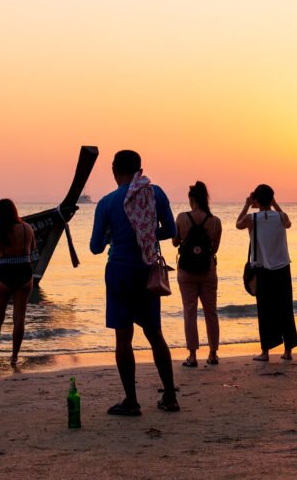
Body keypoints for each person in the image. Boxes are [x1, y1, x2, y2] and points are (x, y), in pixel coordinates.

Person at [90, 150, 179, 415]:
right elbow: (171, 231)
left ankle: (131, 400)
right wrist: (147, 234)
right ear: (140, 169)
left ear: (114, 170)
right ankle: (170, 397)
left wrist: (113, 235)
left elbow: (95, 247)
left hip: (119, 272)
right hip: (147, 271)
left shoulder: (107, 203)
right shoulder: (156, 194)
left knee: (123, 338)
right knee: (155, 335)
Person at [236, 184, 297, 362]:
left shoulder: (252, 219)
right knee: (285, 309)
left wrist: (247, 204)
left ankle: (265, 352)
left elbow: (237, 224)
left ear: (256, 199)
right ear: (271, 198)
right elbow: (288, 223)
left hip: (262, 269)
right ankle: (288, 351)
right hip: (283, 268)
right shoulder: (281, 217)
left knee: (265, 310)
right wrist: (275, 204)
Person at [172, 181, 222, 367]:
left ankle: (192, 356)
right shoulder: (215, 221)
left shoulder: (181, 218)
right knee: (211, 312)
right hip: (208, 270)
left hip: (186, 271)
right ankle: (213, 354)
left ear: (192, 199)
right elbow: (214, 249)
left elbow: (175, 243)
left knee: (190, 312)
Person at [0, 198, 35, 369]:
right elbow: (33, 248)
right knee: (19, 318)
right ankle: (14, 357)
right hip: (24, 273)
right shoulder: (27, 228)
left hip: (4, 274)